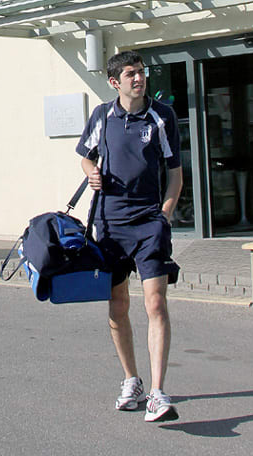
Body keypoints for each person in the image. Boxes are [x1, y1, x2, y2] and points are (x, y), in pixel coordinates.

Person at [76, 51, 182, 422]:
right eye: (131, 74)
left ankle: (157, 392)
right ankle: (131, 380)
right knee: (117, 305)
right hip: (110, 225)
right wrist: (91, 172)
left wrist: (164, 216)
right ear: (114, 82)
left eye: (141, 72)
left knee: (156, 303)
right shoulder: (102, 116)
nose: (139, 78)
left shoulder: (161, 116)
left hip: (149, 224)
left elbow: (175, 173)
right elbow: (85, 156)